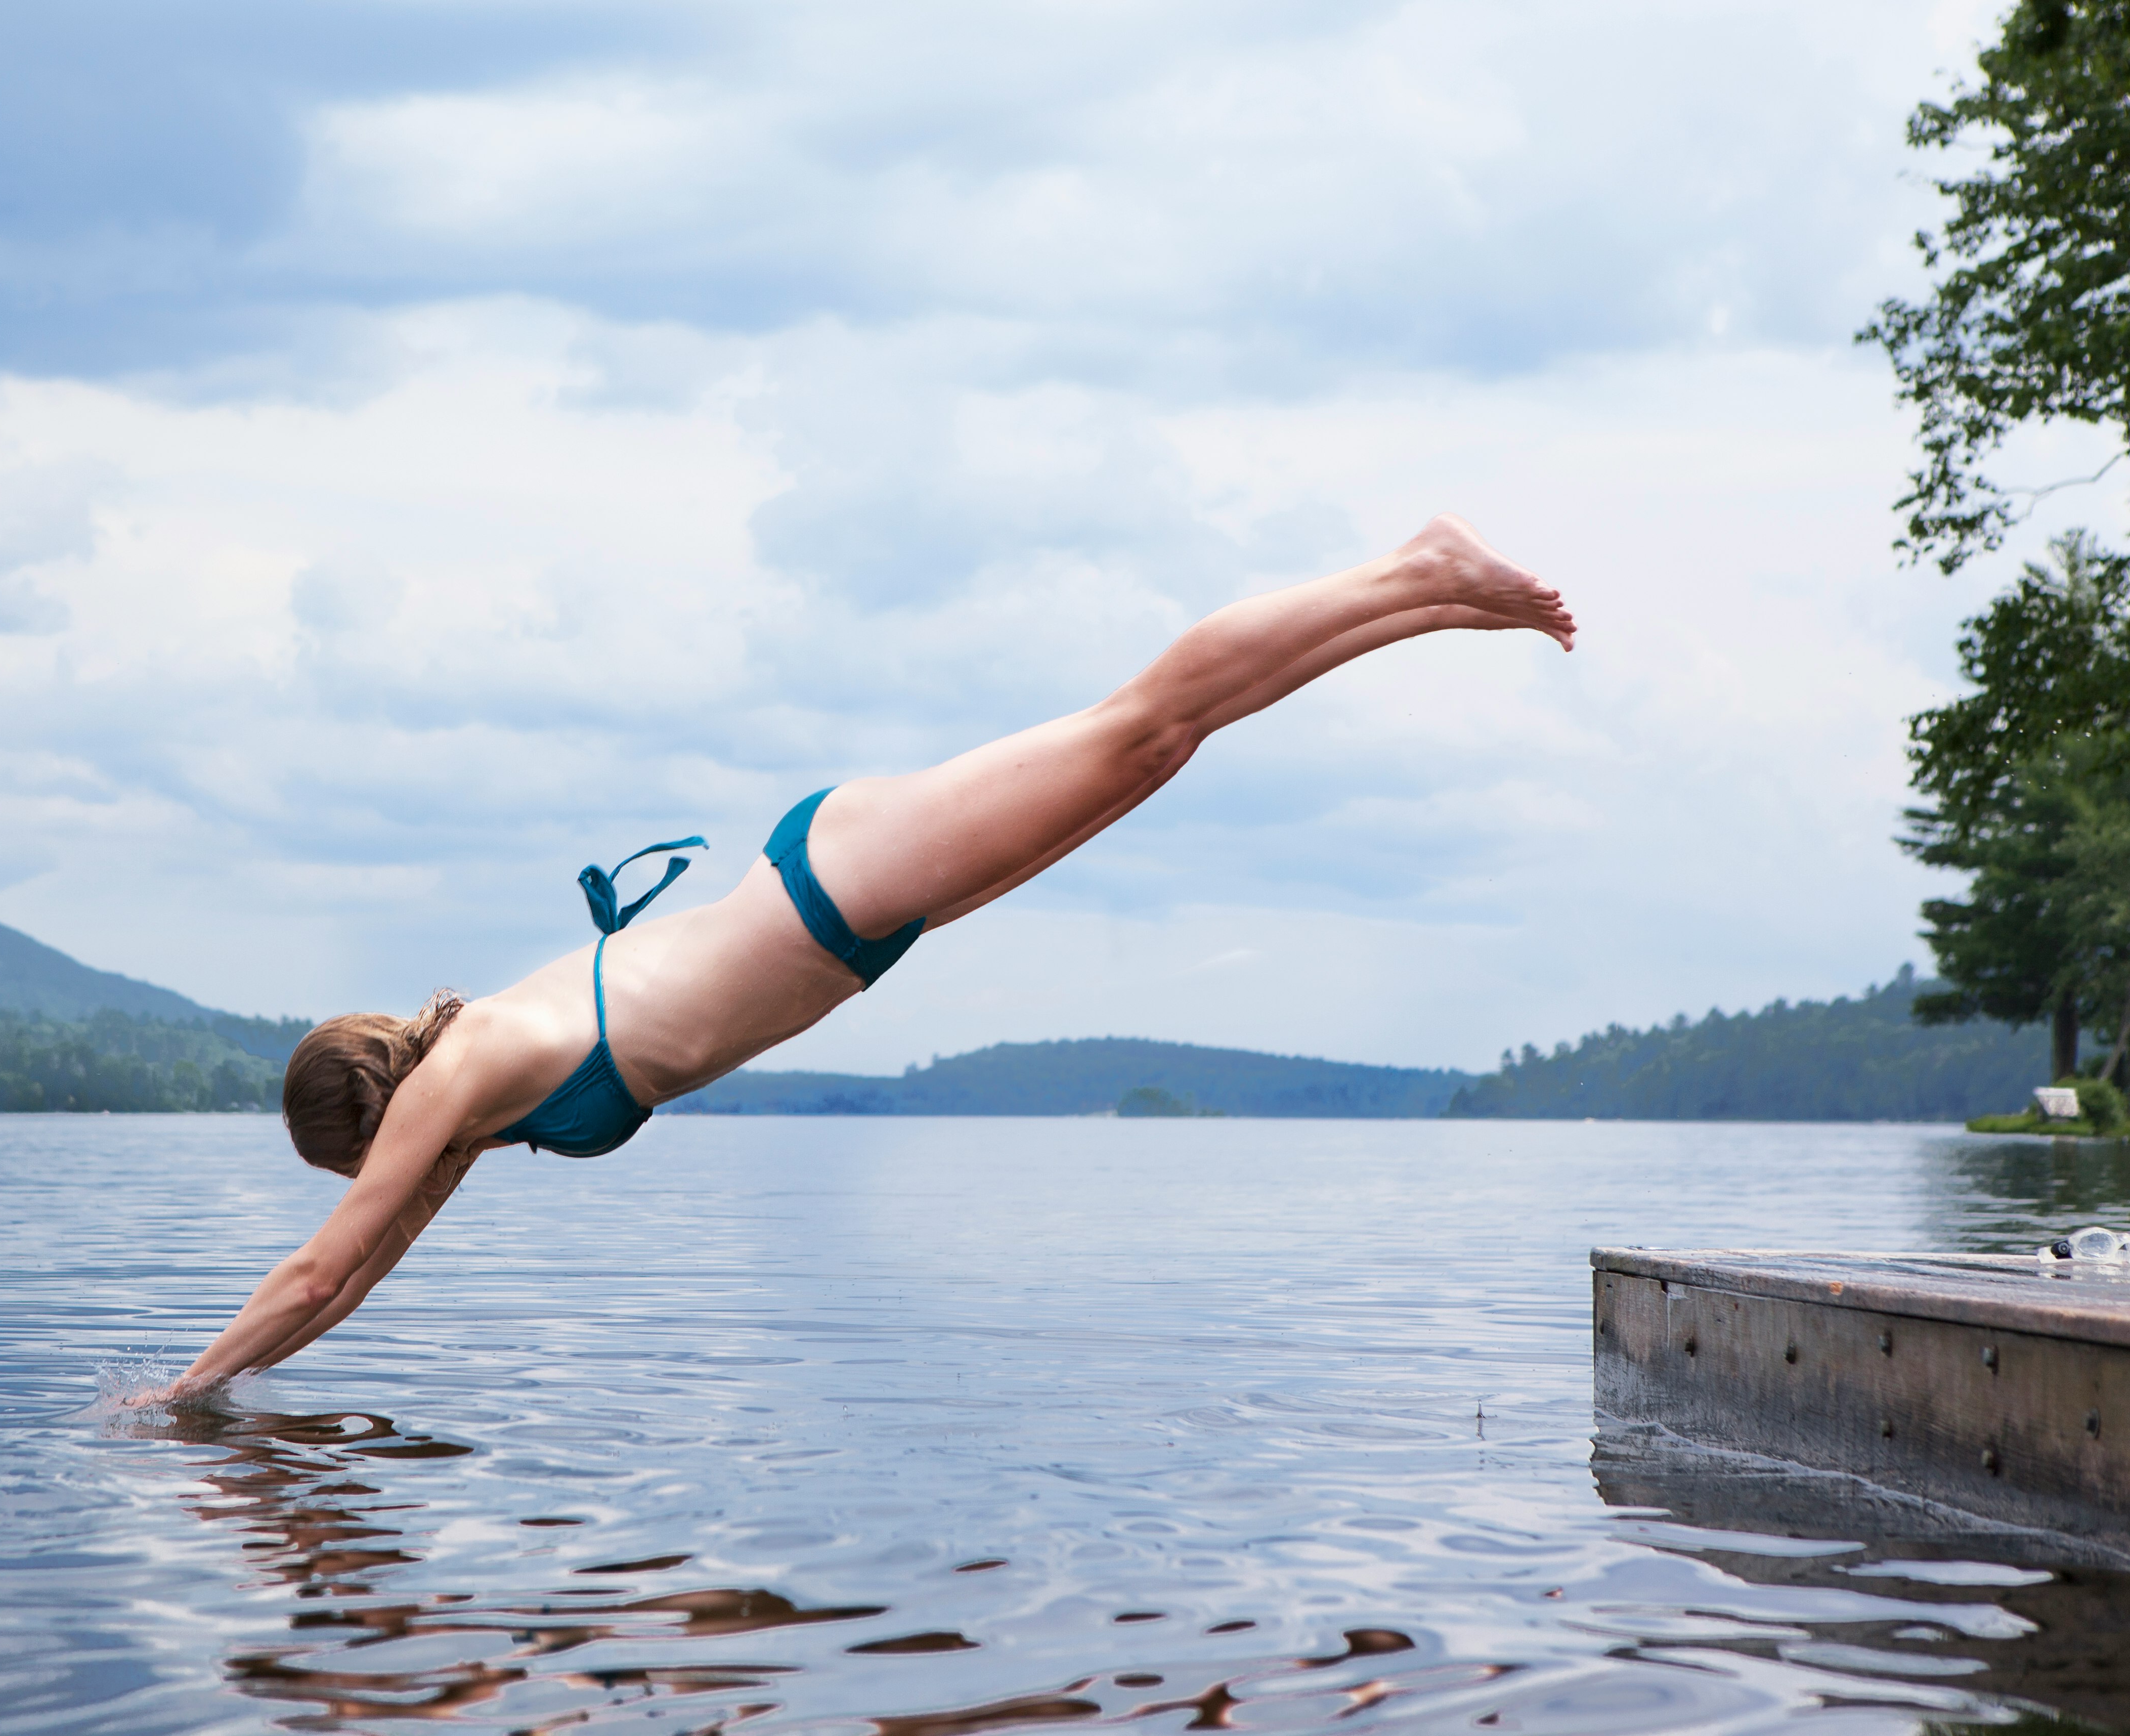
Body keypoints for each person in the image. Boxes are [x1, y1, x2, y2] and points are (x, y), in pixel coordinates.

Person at [148, 514, 1574, 1402]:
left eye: (357, 1166)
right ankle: (1431, 600)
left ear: (370, 1122)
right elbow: (366, 1267)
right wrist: (222, 1397)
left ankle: (1418, 571)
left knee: (1140, 723)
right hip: (860, 919)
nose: (374, 1191)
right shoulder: (465, 1104)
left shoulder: (463, 1075)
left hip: (835, 885)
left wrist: (169, 1398)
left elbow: (320, 1272)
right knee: (1162, 752)